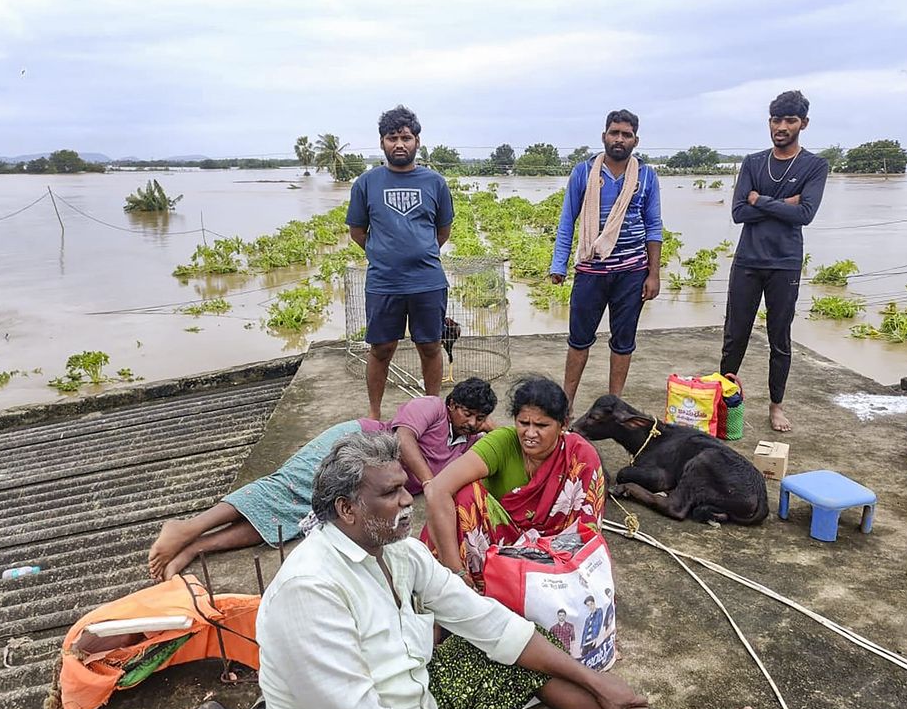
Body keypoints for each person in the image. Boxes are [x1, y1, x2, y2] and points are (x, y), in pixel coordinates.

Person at [255, 430, 753, 709]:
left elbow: (485, 620)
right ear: (346, 509)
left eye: (405, 488)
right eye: (390, 494)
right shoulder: (310, 591)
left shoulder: (399, 553)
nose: (409, 501)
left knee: (517, 643)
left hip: (417, 696)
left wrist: (598, 681)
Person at [147, 378, 495, 581]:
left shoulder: (468, 442)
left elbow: (503, 437)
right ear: (451, 404)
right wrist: (429, 482)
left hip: (367, 481)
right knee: (285, 488)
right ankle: (187, 527)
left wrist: (484, 427)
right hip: (354, 444)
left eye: (480, 418)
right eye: (467, 412)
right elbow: (403, 439)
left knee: (296, 520)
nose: (472, 422)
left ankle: (196, 547)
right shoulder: (431, 406)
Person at [422, 376, 605, 589]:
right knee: (463, 496)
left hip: (554, 559)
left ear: (562, 425)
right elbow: (437, 489)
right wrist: (455, 570)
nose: (530, 434)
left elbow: (587, 528)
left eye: (541, 425)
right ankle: (467, 587)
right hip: (497, 549)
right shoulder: (503, 442)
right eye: (523, 423)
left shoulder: (580, 457)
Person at [720, 90, 829, 433]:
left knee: (779, 336)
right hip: (748, 261)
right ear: (769, 123)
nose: (782, 127)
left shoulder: (815, 165)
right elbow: (739, 212)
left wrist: (760, 199)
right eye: (776, 120)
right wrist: (784, 203)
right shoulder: (753, 162)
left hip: (785, 263)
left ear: (803, 124)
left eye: (790, 120)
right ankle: (725, 397)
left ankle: (776, 405)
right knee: (735, 334)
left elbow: (806, 214)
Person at [550, 109, 663, 412]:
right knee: (578, 340)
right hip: (590, 270)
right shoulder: (583, 172)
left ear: (635, 140)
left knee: (623, 342)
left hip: (632, 272)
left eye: (626, 134)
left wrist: (654, 274)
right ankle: (567, 404)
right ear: (604, 136)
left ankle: (615, 406)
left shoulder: (647, 176)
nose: (619, 139)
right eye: (614, 132)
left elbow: (653, 226)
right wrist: (558, 265)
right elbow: (567, 221)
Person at [346, 105, 455, 420]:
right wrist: (384, 253)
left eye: (406, 138)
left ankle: (431, 411)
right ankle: (374, 414)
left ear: (417, 142)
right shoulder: (367, 183)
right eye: (392, 138)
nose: (399, 144)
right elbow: (357, 232)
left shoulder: (435, 183)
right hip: (384, 283)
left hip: (428, 282)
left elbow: (442, 230)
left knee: (430, 346)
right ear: (382, 143)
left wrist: (419, 252)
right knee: (381, 349)